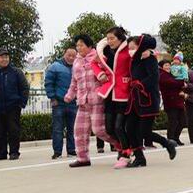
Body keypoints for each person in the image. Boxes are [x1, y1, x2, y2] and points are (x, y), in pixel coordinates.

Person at [122, 35, 176, 167]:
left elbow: (154, 77)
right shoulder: (134, 59)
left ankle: (167, 143)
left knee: (144, 132)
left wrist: (140, 84)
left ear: (140, 46)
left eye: (133, 47)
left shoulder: (150, 59)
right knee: (129, 129)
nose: (130, 49)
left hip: (147, 99)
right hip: (134, 100)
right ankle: (140, 158)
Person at [64, 34, 117, 167]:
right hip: (82, 102)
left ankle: (122, 146)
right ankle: (83, 159)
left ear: (89, 46)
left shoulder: (98, 57)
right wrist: (70, 95)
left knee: (99, 130)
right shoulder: (76, 61)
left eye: (81, 45)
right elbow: (74, 82)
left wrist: (103, 80)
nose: (78, 47)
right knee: (79, 131)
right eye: (77, 45)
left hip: (97, 100)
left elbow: (108, 74)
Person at [93, 26, 132, 169]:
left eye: (112, 38)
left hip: (123, 93)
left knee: (119, 126)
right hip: (109, 93)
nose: (109, 41)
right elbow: (93, 63)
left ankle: (125, 155)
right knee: (109, 128)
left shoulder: (128, 50)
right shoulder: (104, 51)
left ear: (120, 38)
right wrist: (100, 74)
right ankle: (123, 149)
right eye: (108, 38)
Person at [0, 48, 29, 161]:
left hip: (13, 106)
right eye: (2, 57)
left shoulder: (16, 72)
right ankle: (1, 153)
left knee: (14, 130)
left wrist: (21, 103)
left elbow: (24, 88)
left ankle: (14, 152)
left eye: (6, 57)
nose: (5, 59)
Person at [45, 47, 78, 159]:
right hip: (58, 103)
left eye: (74, 56)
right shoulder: (54, 67)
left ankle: (71, 150)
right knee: (57, 129)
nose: (71, 58)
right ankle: (57, 152)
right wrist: (52, 98)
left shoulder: (77, 67)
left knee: (72, 129)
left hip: (73, 103)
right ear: (64, 54)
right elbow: (48, 83)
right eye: (69, 55)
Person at [158, 59, 187, 145]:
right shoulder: (162, 75)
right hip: (170, 101)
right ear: (162, 67)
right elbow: (171, 83)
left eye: (169, 65)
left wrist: (182, 89)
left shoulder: (172, 74)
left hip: (178, 100)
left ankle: (176, 138)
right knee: (173, 122)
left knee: (182, 121)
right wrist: (182, 83)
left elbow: (177, 82)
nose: (168, 67)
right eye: (166, 65)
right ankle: (170, 140)